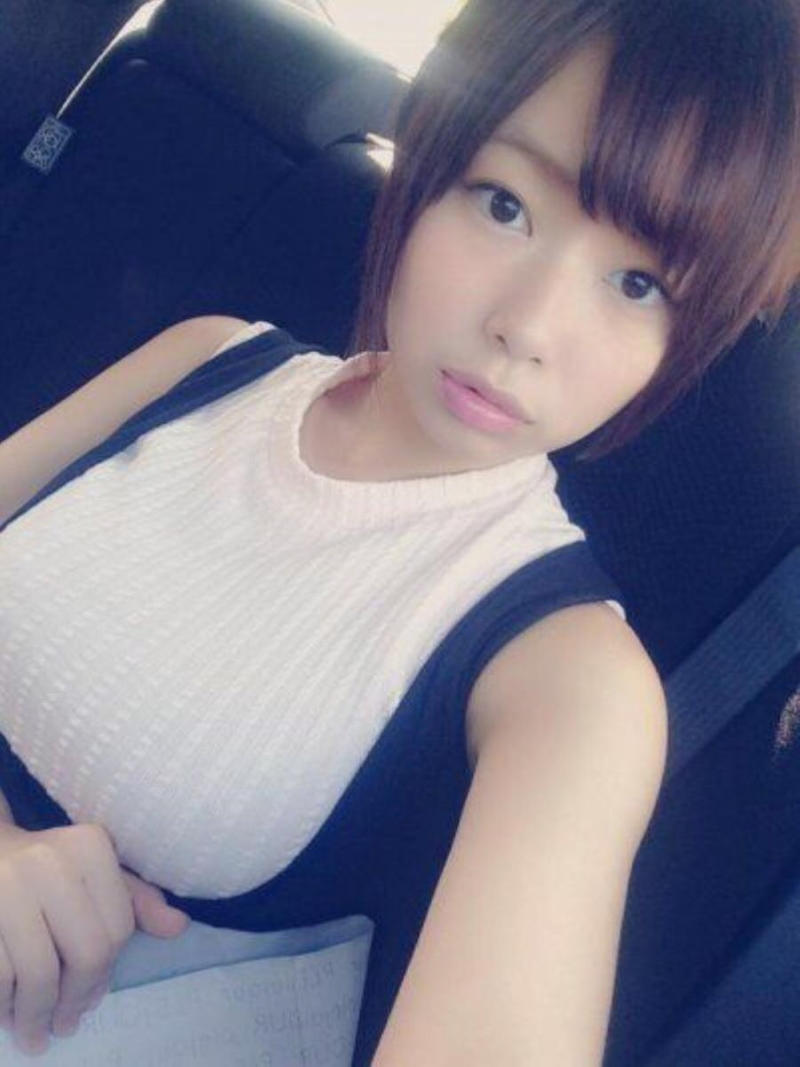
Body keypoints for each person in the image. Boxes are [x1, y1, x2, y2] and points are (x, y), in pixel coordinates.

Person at [0, 0, 797, 1062]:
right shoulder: (210, 358)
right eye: (504, 205)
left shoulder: (570, 678)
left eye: (638, 283)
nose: (527, 325)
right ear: (426, 160)